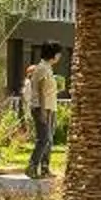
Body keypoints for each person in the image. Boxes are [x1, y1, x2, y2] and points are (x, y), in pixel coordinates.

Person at [23, 44, 62, 181]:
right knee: (43, 138)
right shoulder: (42, 69)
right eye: (59, 53)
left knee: (49, 140)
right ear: (54, 54)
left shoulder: (48, 68)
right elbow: (41, 92)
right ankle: (32, 166)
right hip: (42, 107)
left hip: (50, 107)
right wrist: (43, 111)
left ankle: (45, 168)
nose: (60, 56)